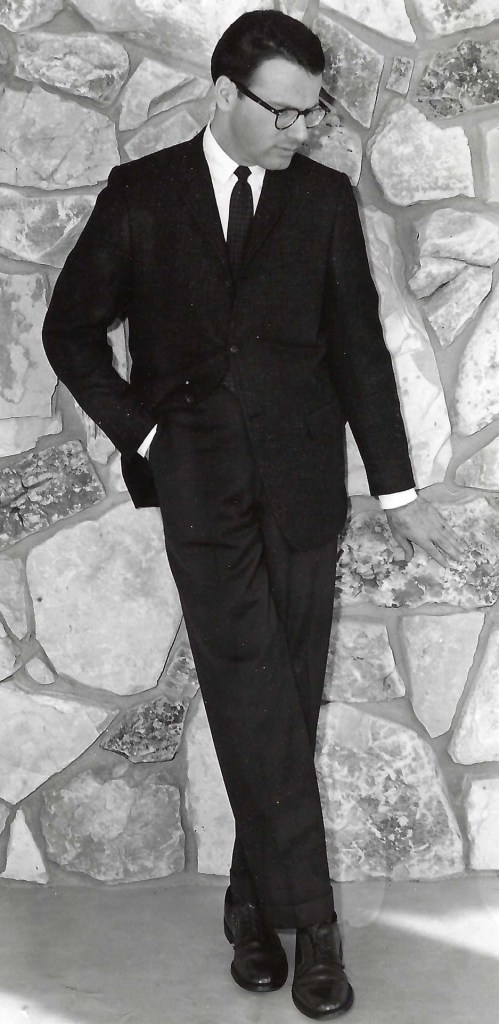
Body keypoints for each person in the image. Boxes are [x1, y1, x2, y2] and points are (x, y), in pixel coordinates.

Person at [42, 11, 464, 1019]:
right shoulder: (143, 195)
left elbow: (356, 349)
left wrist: (397, 490)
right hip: (198, 487)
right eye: (285, 112)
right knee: (249, 684)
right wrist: (145, 434)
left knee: (280, 696)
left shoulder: (321, 200)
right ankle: (314, 925)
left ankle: (248, 901)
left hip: (304, 487)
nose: (302, 130)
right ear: (224, 95)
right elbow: (70, 329)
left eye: (312, 112)